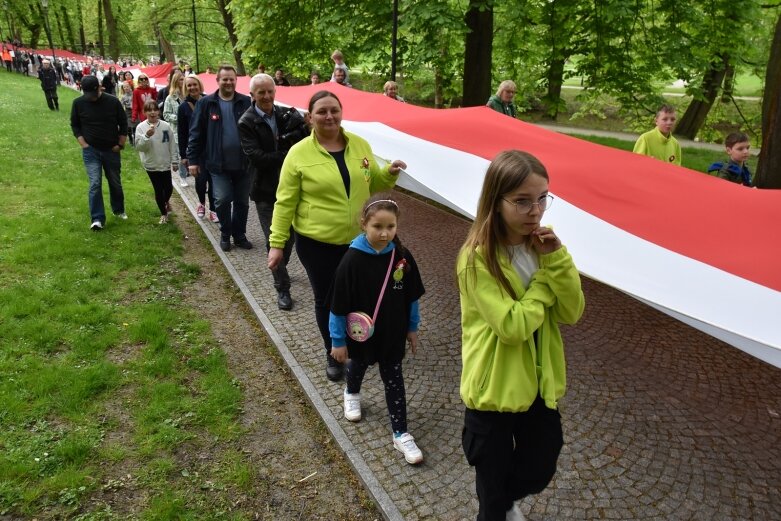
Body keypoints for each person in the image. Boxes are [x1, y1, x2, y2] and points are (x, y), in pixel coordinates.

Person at [457, 150, 584, 521]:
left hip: (539, 383)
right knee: (491, 494)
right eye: (523, 201)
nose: (536, 211)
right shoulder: (476, 257)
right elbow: (511, 327)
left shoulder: (545, 247)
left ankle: (504, 499)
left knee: (541, 463)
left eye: (543, 198)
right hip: (494, 387)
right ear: (496, 203)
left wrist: (557, 260)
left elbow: (571, 312)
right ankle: (496, 505)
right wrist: (545, 284)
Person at [267, 90, 407, 381]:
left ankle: (359, 343)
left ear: (342, 113)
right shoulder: (299, 154)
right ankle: (333, 352)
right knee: (328, 300)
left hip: (358, 242)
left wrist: (389, 173)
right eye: (322, 112)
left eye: (334, 110)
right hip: (316, 243)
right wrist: (277, 244)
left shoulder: (360, 145)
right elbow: (285, 202)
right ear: (310, 117)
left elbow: (374, 184)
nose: (329, 116)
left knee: (360, 296)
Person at [329, 194, 425, 465]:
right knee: (358, 364)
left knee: (394, 378)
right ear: (363, 224)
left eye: (391, 227)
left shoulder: (402, 257)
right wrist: (338, 340)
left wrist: (412, 328)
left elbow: (412, 296)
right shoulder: (352, 260)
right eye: (378, 227)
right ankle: (351, 393)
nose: (384, 233)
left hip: (392, 333)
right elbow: (337, 305)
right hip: (362, 333)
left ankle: (400, 432)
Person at [238, 73, 310, 310]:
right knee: (275, 241)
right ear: (253, 95)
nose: (267, 96)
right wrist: (288, 155)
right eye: (262, 92)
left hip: (294, 189)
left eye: (270, 91)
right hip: (266, 191)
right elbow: (257, 157)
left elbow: (305, 143)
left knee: (291, 240)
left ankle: (281, 266)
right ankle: (283, 288)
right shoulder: (246, 122)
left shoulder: (284, 114)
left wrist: (307, 128)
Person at [187, 64, 252, 251]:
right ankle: (225, 232)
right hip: (217, 164)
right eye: (225, 79)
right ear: (218, 81)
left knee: (242, 202)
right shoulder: (206, 103)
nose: (229, 82)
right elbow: (195, 133)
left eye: (232, 79)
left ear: (236, 80)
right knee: (222, 200)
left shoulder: (246, 102)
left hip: (243, 164)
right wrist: (192, 160)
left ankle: (239, 235)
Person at [70, 75, 129, 231]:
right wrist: (83, 144)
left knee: (114, 181)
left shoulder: (113, 102)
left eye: (92, 93)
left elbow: (123, 123)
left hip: (111, 149)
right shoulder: (78, 103)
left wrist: (120, 144)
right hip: (91, 151)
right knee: (95, 183)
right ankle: (97, 218)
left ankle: (118, 209)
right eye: (86, 93)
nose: (90, 97)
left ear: (99, 87)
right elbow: (75, 125)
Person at [178, 75, 217, 222]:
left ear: (200, 85)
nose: (192, 88)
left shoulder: (210, 101)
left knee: (214, 181)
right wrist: (184, 155)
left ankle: (213, 209)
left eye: (195, 84)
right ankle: (201, 203)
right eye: (189, 86)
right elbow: (181, 132)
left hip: (212, 149)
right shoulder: (183, 107)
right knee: (200, 181)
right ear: (185, 88)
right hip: (196, 151)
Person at [135, 100, 179, 224]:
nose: (152, 112)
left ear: (159, 111)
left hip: (165, 163)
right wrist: (147, 136)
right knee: (158, 189)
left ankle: (165, 202)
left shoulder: (166, 126)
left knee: (168, 188)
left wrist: (175, 161)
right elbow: (139, 147)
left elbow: (172, 144)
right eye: (149, 110)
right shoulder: (141, 127)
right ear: (144, 112)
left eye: (155, 109)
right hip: (151, 164)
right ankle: (163, 214)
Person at [163, 70, 188, 186]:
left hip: (191, 129)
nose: (183, 81)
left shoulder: (189, 95)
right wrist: (179, 117)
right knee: (182, 154)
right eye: (181, 79)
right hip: (178, 130)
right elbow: (166, 114)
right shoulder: (170, 98)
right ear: (176, 81)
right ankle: (183, 177)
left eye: (184, 79)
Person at [120, 81, 134, 145]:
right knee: (128, 127)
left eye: (127, 86)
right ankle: (130, 139)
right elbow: (121, 105)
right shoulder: (123, 97)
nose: (126, 88)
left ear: (130, 86)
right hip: (128, 112)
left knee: (135, 126)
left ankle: (136, 139)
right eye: (124, 87)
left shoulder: (134, 93)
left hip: (135, 111)